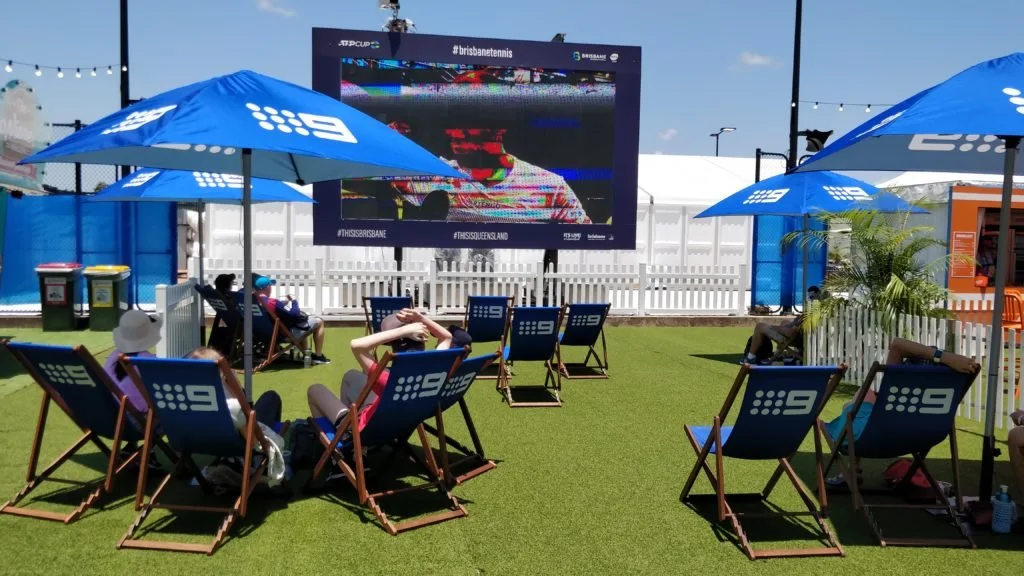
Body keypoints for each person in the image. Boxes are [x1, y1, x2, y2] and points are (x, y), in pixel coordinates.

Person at [825, 337, 980, 488]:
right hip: (925, 436)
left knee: (856, 402)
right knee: (868, 398)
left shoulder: (901, 388)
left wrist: (944, 356)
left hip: (875, 435)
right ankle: (853, 471)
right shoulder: (944, 390)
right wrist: (951, 360)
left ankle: (852, 471)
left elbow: (898, 344)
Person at [306, 309, 456, 435]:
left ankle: (339, 441)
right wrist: (420, 318)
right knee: (351, 375)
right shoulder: (433, 369)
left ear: (393, 344)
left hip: (364, 431)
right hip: (397, 428)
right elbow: (447, 337)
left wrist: (402, 330)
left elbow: (356, 345)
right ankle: (344, 426)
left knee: (314, 390)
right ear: (423, 340)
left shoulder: (386, 378)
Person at [187, 347, 288, 488]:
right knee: (271, 397)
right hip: (236, 441)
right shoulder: (230, 406)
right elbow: (250, 437)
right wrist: (234, 386)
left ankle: (229, 462)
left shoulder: (182, 403)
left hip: (194, 441)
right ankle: (255, 462)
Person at [104, 309, 164, 470]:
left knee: (133, 403)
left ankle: (131, 448)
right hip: (135, 424)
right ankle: (148, 452)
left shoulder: (112, 358)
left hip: (108, 419)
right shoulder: (150, 362)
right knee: (161, 410)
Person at [252, 274, 330, 365]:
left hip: (262, 334)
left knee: (301, 324)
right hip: (281, 335)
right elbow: (295, 314)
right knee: (319, 322)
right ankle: (318, 356)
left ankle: (305, 354)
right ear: (267, 287)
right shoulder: (272, 302)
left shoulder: (252, 302)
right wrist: (294, 301)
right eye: (270, 285)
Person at [743, 286, 824, 364]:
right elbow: (797, 328)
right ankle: (778, 353)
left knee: (760, 326)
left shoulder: (812, 315)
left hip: (794, 338)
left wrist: (778, 328)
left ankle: (751, 357)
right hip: (801, 337)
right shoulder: (818, 313)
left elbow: (793, 332)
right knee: (784, 322)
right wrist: (794, 323)